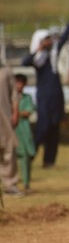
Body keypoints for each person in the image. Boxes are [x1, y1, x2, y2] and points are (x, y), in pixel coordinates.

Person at [23, 4, 69, 168]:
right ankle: (31, 155)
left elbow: (64, 37)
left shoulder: (53, 54)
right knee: (43, 128)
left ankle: (49, 161)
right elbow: (25, 62)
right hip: (45, 98)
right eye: (46, 39)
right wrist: (39, 49)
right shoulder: (38, 58)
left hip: (56, 96)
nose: (50, 42)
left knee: (55, 129)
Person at [0, 65, 20, 197]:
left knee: (8, 149)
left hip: (4, 117)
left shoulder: (6, 71)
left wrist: (15, 112)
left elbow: (14, 94)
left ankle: (10, 184)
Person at [12, 74, 35, 192]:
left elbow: (29, 111)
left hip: (23, 129)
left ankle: (26, 183)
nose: (18, 86)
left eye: (20, 83)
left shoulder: (27, 98)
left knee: (26, 156)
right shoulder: (8, 97)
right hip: (11, 129)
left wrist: (15, 114)